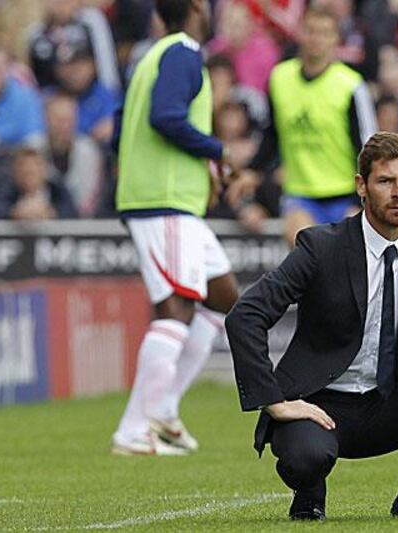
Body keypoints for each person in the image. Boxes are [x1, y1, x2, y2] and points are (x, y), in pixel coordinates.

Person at [225, 132, 398, 521]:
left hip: (388, 400)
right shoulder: (320, 246)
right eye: (385, 181)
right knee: (307, 457)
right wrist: (275, 402)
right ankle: (308, 494)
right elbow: (246, 315)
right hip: (317, 406)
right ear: (361, 186)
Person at [111, 0, 252, 456]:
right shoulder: (184, 52)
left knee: (223, 298)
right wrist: (217, 150)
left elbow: (125, 129)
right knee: (174, 311)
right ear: (195, 8)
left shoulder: (153, 55)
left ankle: (166, 412)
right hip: (164, 203)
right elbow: (166, 117)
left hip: (173, 201)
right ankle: (135, 429)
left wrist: (205, 166)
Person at [249, 5, 377, 245]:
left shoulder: (351, 85)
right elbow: (271, 135)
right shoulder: (280, 78)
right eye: (310, 31)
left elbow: (368, 147)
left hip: (345, 193)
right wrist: (252, 171)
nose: (316, 38)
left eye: (324, 32)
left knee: (344, 259)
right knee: (304, 246)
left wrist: (361, 199)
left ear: (335, 39)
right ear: (299, 34)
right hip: (300, 194)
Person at [0, 147, 77, 220]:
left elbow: (72, 211)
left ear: (44, 171)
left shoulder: (58, 189)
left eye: (33, 171)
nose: (28, 172)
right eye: (23, 170)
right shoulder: (6, 191)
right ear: (14, 173)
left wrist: (51, 212)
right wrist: (15, 212)